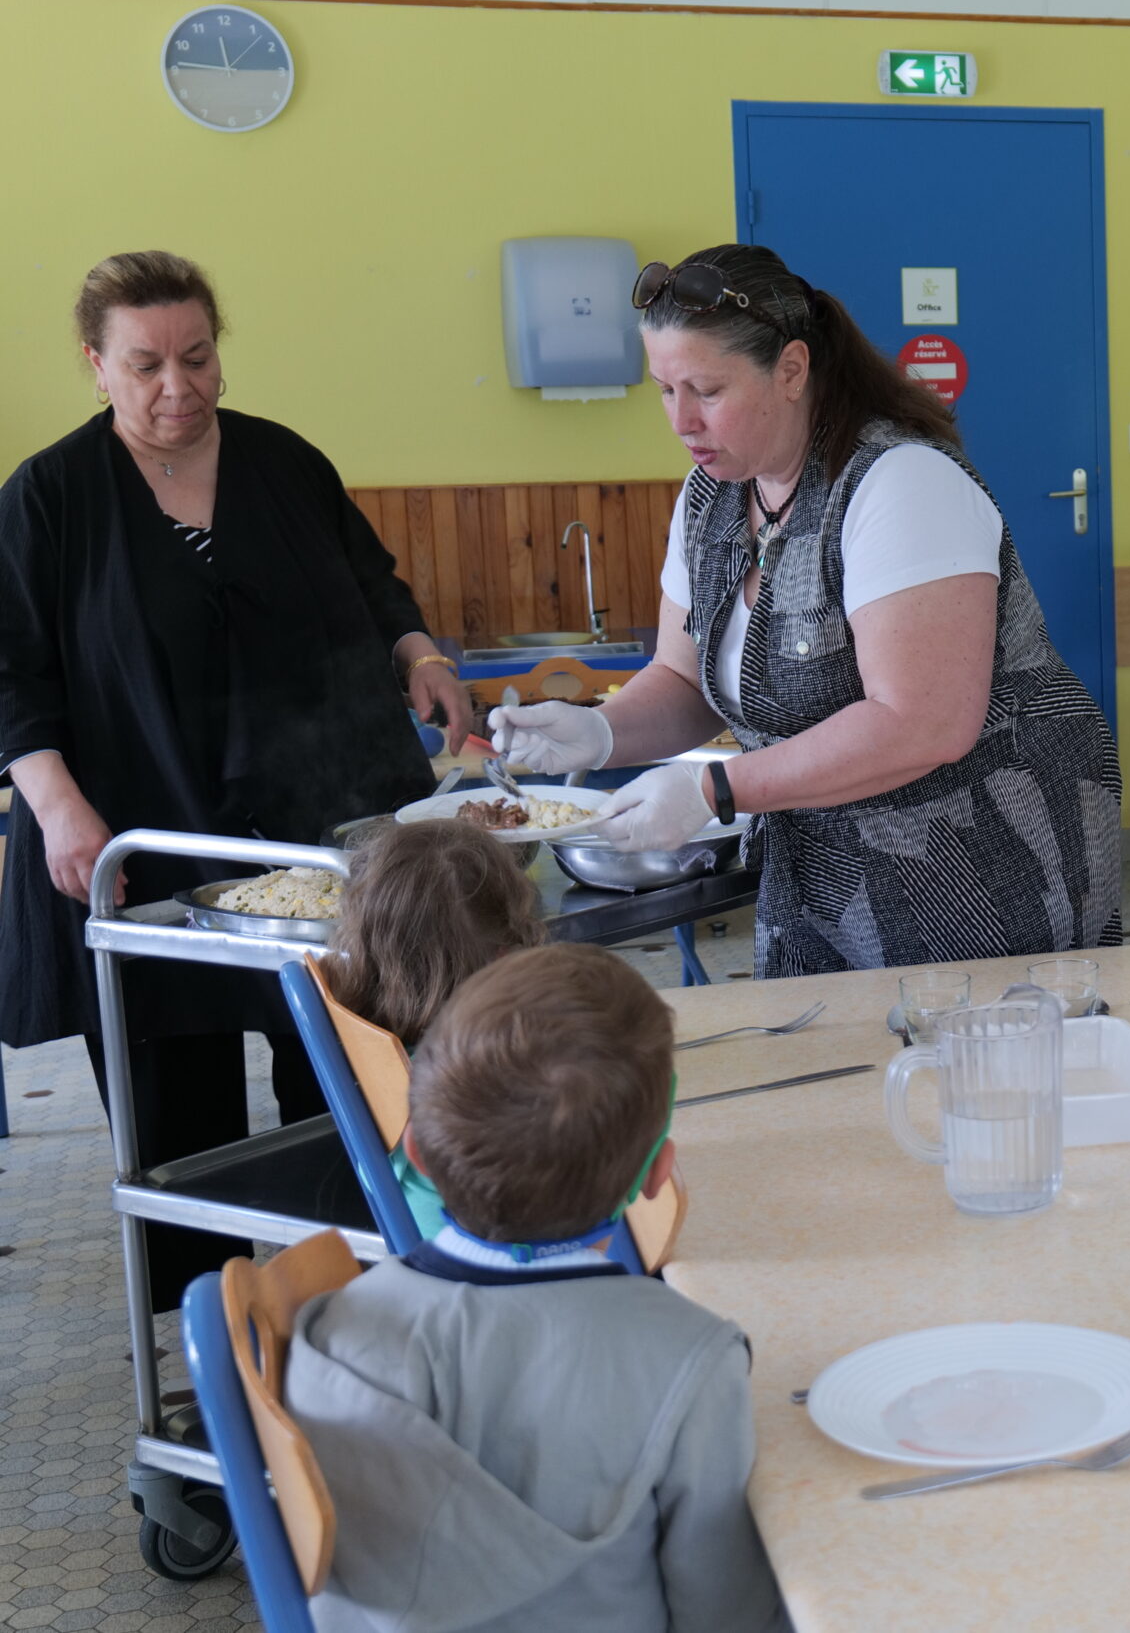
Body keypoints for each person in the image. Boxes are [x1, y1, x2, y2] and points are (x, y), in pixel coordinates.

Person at [0, 251, 472, 1308]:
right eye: (147, 364)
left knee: (347, 1075)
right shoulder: (50, 496)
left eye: (198, 357)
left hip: (315, 829)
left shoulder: (282, 462)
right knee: (181, 1109)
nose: (178, 387)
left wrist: (420, 656)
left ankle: (369, 1292)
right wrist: (56, 806)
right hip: (148, 837)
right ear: (96, 366)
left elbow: (369, 580)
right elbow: (10, 670)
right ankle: (215, 1330)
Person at [488, 244, 1119, 976]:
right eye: (664, 389)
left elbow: (924, 721)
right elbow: (685, 680)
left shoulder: (900, 483)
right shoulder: (710, 499)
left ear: (791, 369)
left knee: (969, 1073)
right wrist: (599, 733)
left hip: (984, 858)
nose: (681, 419)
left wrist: (715, 789)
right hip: (828, 875)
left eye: (707, 390)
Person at [285, 944, 785, 1633]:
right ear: (657, 1173)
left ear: (421, 1158)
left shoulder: (331, 1335)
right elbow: (727, 1609)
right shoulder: (694, 1358)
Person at [324, 818, 548, 1239]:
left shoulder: (372, 1042)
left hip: (425, 1248)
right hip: (511, 1264)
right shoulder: (485, 1076)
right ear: (504, 953)